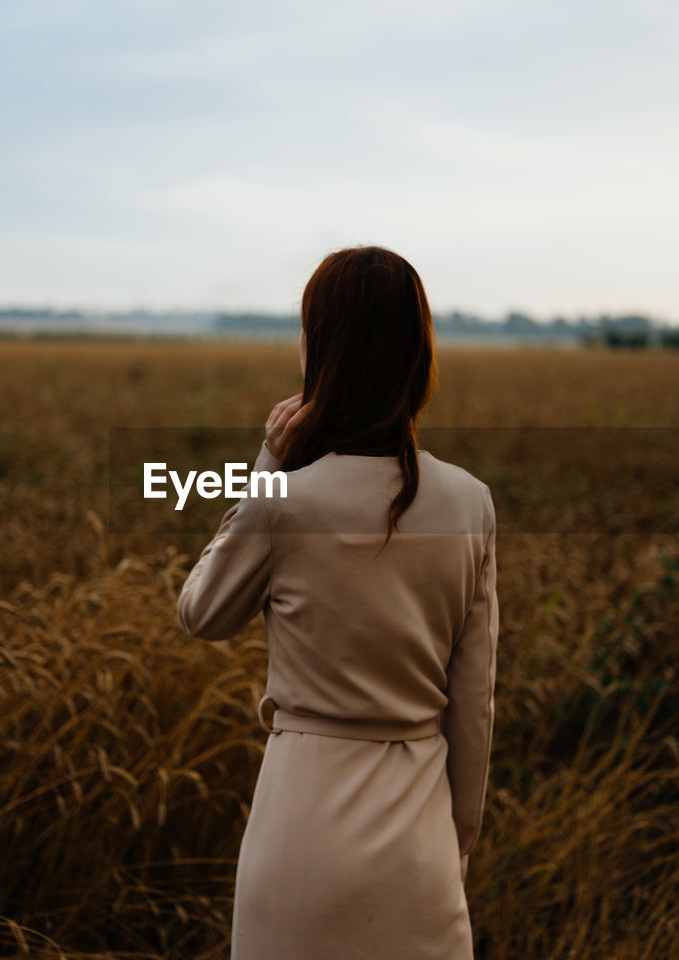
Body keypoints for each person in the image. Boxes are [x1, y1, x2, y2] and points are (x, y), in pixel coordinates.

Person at [177, 245, 499, 959]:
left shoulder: (287, 502)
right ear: (417, 356)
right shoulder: (470, 504)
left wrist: (267, 467)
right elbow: (472, 706)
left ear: (321, 349)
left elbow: (201, 611)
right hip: (419, 838)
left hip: (300, 832)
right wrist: (455, 844)